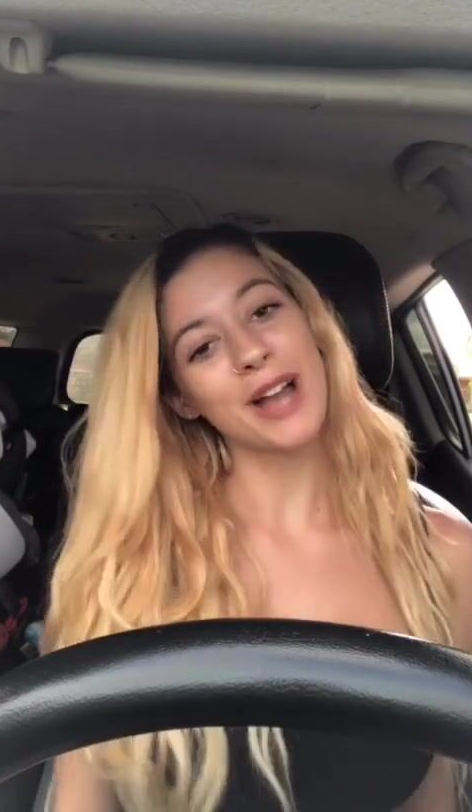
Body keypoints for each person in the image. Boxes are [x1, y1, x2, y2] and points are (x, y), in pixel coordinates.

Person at [44, 224, 472, 812]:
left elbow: (434, 797)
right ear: (181, 399)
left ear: (312, 324)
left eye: (264, 310)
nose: (250, 351)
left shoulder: (447, 558)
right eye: (203, 347)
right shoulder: (119, 580)